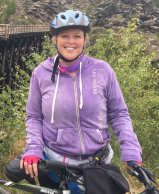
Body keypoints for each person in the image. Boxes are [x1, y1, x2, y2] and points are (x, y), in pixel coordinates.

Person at [18, 9, 142, 191]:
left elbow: (118, 114)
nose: (70, 41)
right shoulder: (40, 73)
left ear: (85, 40)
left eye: (77, 36)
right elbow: (34, 117)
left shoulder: (102, 70)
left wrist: (130, 148)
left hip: (97, 164)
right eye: (64, 35)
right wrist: (33, 148)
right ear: (55, 40)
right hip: (55, 165)